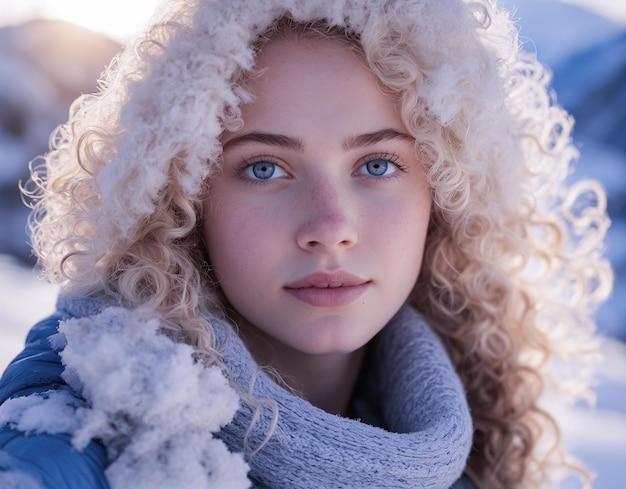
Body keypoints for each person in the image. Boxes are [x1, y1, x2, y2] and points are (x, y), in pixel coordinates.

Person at [0, 0, 612, 487]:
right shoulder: (77, 438)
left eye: (377, 165)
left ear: (445, 196)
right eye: (265, 168)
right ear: (182, 202)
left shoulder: (478, 443)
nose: (330, 225)